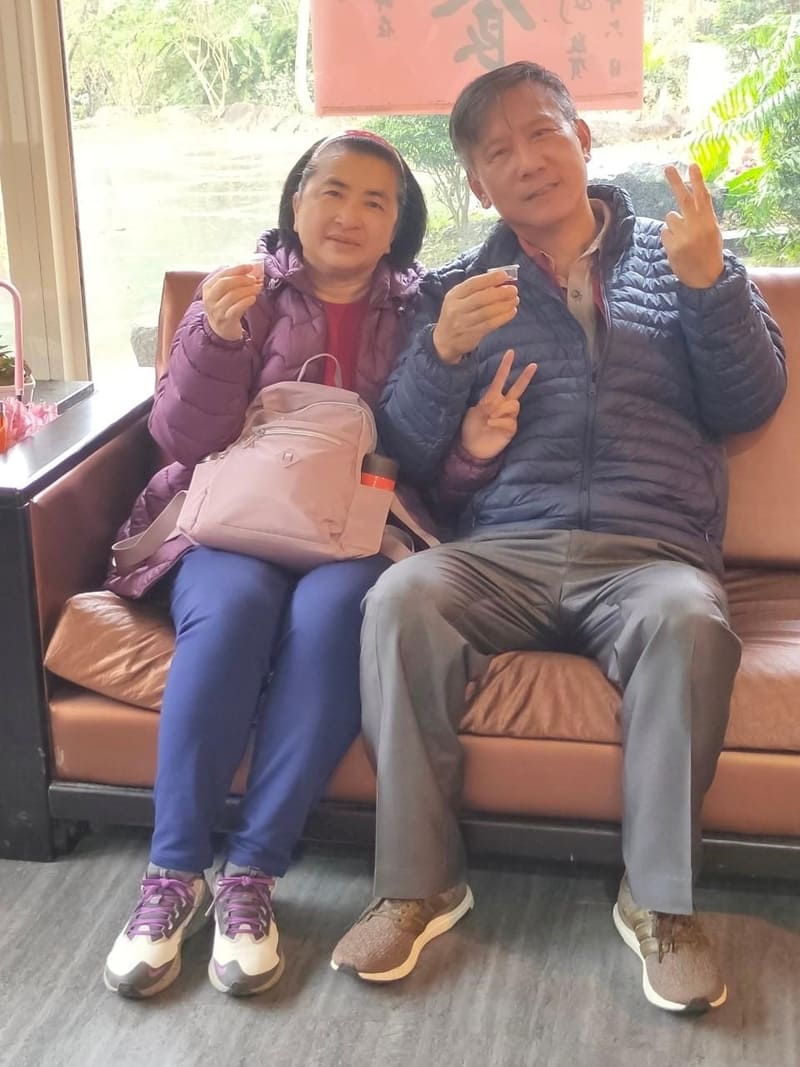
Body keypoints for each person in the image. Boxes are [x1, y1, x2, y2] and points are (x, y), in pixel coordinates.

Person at [331, 62, 787, 1013]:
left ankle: (661, 903)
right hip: (505, 548)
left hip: (651, 552)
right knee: (400, 598)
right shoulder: (458, 288)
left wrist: (710, 285)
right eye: (498, 151)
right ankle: (417, 884)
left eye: (543, 133)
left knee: (690, 623)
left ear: (582, 140)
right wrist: (441, 353)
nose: (528, 160)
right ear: (477, 184)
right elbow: (403, 446)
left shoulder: (679, 253)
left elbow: (750, 400)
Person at [103, 130, 428, 999]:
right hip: (230, 524)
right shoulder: (241, 292)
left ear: (398, 223)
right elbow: (181, 437)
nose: (349, 214)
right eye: (332, 191)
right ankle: (172, 876)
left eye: (375, 200)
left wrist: (470, 439)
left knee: (335, 616)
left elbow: (433, 454)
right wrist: (216, 335)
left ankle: (251, 873)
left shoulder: (423, 310)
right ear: (295, 200)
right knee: (235, 607)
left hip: (357, 529)